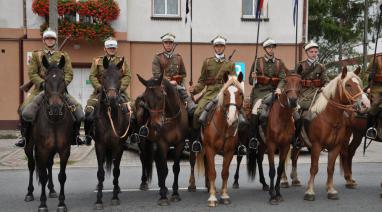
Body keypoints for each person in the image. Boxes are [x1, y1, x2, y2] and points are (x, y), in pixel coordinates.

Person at [16, 28, 84, 147]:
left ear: (55, 40)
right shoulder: (36, 55)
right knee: (23, 108)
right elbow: (32, 73)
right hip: (39, 89)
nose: (50, 41)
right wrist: (43, 83)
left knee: (77, 110)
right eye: (47, 38)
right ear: (44, 40)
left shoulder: (64, 55)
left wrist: (60, 85)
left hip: (58, 91)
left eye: (52, 39)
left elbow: (69, 73)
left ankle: (76, 136)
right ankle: (24, 137)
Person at [188, 35, 237, 152]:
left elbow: (234, 81)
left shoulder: (230, 64)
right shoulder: (207, 62)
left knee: (240, 116)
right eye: (217, 46)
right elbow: (202, 81)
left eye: (221, 46)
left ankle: (238, 144)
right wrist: (194, 90)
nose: (219, 48)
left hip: (224, 93)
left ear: (224, 47)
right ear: (214, 47)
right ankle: (196, 141)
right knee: (196, 113)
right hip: (210, 93)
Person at [84, 37, 132, 148]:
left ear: (116, 48)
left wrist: (119, 88)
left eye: (113, 47)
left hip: (118, 92)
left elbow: (127, 76)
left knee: (131, 111)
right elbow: (92, 76)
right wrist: (100, 87)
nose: (111, 49)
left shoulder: (122, 62)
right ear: (105, 48)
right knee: (88, 111)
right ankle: (88, 136)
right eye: (109, 47)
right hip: (99, 92)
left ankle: (131, 135)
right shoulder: (97, 61)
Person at [248, 38, 287, 145]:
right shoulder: (257, 61)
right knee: (255, 111)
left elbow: (283, 78)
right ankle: (253, 138)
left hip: (275, 91)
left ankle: (292, 137)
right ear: (265, 49)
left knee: (291, 109)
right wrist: (254, 78)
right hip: (260, 92)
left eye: (272, 47)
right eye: (268, 47)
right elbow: (251, 81)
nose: (271, 49)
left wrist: (279, 88)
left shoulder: (279, 63)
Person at [152, 32, 196, 116]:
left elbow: (183, 74)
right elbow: (156, 75)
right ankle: (145, 126)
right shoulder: (157, 57)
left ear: (173, 44)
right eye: (166, 43)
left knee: (192, 108)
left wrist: (180, 82)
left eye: (170, 43)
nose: (168, 45)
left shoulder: (178, 57)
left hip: (177, 87)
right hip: (162, 87)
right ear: (163, 44)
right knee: (149, 105)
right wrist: (169, 82)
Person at [294, 40, 329, 146]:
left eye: (315, 52)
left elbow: (326, 80)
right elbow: (294, 80)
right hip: (303, 93)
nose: (314, 54)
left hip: (317, 92)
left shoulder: (321, 67)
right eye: (311, 52)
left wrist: (325, 87)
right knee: (299, 114)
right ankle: (298, 137)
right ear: (307, 52)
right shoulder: (300, 65)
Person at [365, 54, 382, 139]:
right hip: (377, 89)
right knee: (375, 103)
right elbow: (366, 73)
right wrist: (370, 76)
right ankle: (370, 128)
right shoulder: (376, 58)